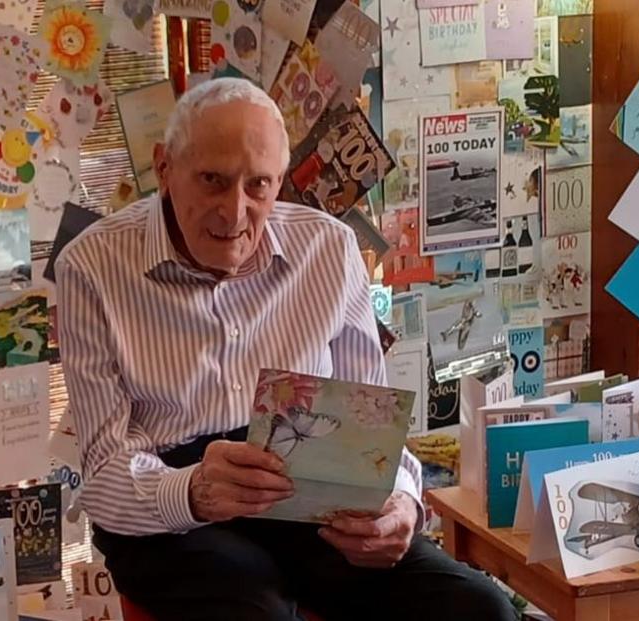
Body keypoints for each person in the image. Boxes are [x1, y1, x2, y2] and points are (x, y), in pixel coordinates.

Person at [55, 78, 519, 621]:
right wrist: (193, 491)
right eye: (212, 181)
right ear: (164, 168)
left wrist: (400, 504)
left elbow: (371, 424)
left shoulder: (329, 247)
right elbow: (105, 475)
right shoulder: (90, 266)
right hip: (166, 502)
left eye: (258, 186)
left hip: (307, 485)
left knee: (479, 608)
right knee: (258, 607)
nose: (234, 213)